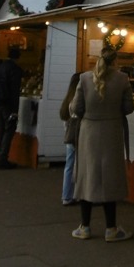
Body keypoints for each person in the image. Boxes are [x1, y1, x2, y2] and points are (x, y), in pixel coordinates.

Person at [70, 45, 134, 242]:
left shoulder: (84, 79)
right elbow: (129, 107)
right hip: (112, 132)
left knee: (87, 176)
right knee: (110, 177)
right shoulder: (123, 79)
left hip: (88, 132)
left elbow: (76, 108)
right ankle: (111, 228)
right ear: (116, 61)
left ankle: (85, 226)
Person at [0, 47, 24, 169]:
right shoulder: (15, 69)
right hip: (8, 102)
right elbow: (15, 90)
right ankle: (3, 158)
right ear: (18, 57)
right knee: (9, 129)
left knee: (0, 128)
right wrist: (15, 110)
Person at [59, 72, 81, 206]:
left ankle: (66, 195)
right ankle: (78, 194)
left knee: (69, 166)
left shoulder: (68, 99)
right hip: (78, 136)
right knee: (79, 165)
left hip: (69, 135)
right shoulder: (78, 100)